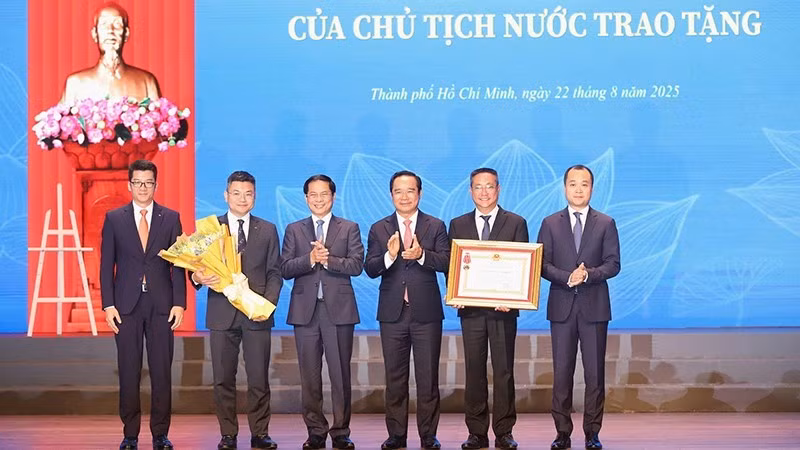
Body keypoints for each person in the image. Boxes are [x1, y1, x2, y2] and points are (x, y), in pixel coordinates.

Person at [192, 171, 282, 450]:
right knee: (222, 378)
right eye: (237, 193)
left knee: (258, 378)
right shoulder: (210, 228)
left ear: (255, 196)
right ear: (226, 195)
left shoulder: (267, 229)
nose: (242, 198)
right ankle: (228, 434)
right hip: (221, 313)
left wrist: (265, 305)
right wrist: (197, 278)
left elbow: (275, 272)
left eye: (248, 193)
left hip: (256, 314)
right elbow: (194, 269)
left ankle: (260, 433)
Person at [100, 159, 186, 450]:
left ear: (156, 185)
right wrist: (108, 305)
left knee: (162, 371)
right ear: (130, 184)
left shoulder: (171, 218)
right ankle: (130, 434)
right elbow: (106, 265)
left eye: (148, 182)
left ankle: (160, 434)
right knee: (128, 371)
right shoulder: (114, 218)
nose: (143, 188)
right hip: (126, 307)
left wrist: (180, 303)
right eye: (138, 182)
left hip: (162, 306)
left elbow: (179, 264)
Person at [364, 170, 450, 450]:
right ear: (391, 195)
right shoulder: (379, 228)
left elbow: (447, 261)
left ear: (420, 194)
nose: (404, 196)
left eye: (410, 191)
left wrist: (422, 255)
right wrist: (390, 255)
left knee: (428, 378)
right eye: (398, 191)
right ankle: (396, 435)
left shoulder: (435, 225)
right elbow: (370, 269)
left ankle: (428, 436)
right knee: (395, 378)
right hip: (392, 313)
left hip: (426, 313)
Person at [536, 165, 621, 450]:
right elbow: (541, 264)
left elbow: (613, 263)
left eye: (584, 184)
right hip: (561, 306)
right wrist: (566, 278)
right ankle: (562, 432)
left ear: (592, 188)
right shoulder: (550, 223)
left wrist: (588, 274)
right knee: (562, 373)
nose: (578, 189)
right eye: (573, 184)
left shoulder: (606, 222)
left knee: (595, 374)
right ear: (564, 188)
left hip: (594, 307)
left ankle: (592, 432)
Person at [280, 174, 363, 450]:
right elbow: (285, 268)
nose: (318, 200)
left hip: (338, 310)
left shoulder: (349, 228)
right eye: (313, 195)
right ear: (306, 199)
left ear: (333, 196)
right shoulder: (294, 229)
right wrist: (310, 259)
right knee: (310, 375)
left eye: (323, 194)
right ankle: (315, 430)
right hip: (305, 311)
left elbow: (356, 265)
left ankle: (341, 431)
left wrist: (329, 260)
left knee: (340, 374)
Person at [448, 168, 528, 450]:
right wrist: (455, 291)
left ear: (498, 189)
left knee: (504, 371)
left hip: (503, 311)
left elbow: (523, 267)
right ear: (470, 191)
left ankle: (504, 431)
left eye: (489, 187)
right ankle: (476, 432)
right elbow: (453, 264)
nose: (484, 192)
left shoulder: (516, 222)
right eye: (478, 187)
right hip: (470, 310)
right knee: (474, 370)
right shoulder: (458, 224)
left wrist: (515, 297)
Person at [61, 2, 160, 104]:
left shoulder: (146, 82)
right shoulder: (75, 84)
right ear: (95, 34)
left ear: (126, 34)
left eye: (117, 24)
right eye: (104, 25)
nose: (110, 30)